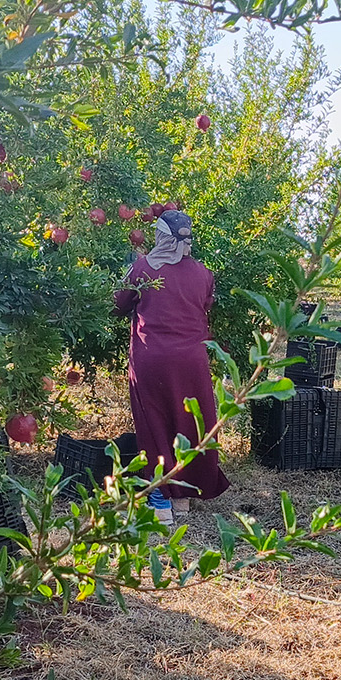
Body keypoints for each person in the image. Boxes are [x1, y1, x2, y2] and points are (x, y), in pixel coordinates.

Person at [113, 209, 230, 522]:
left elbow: (119, 303)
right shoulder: (204, 273)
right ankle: (183, 498)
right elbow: (204, 306)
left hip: (152, 358)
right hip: (192, 359)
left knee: (155, 424)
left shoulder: (142, 269)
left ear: (160, 237)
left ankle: (160, 500)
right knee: (190, 423)